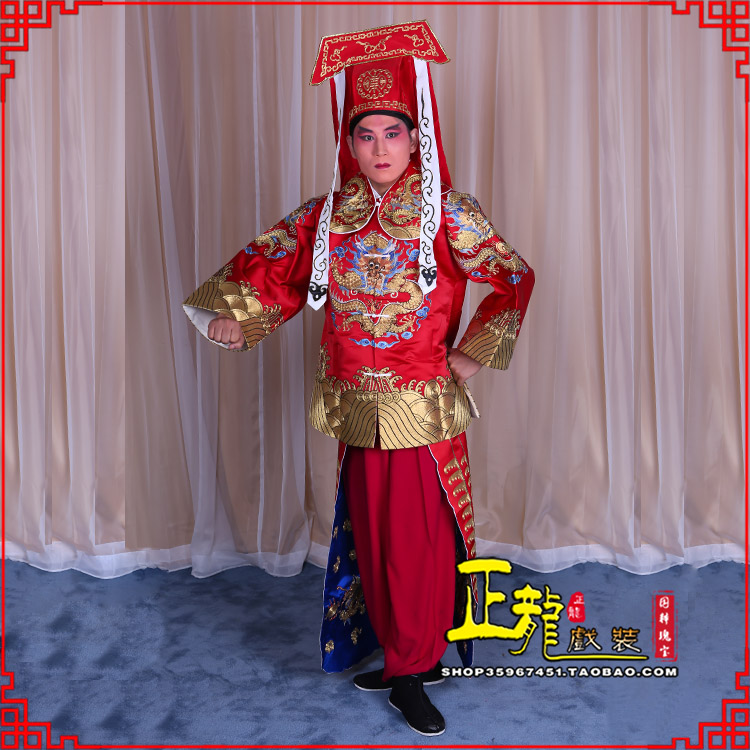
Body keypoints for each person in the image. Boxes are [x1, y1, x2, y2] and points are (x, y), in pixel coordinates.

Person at [183, 21, 534, 737]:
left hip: (421, 409)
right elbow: (278, 273)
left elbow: (513, 277)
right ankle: (407, 654)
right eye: (365, 135)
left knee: (417, 543)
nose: (379, 149)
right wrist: (235, 321)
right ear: (349, 142)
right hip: (354, 407)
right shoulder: (328, 216)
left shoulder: (446, 213)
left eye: (392, 134)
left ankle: (412, 668)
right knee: (372, 540)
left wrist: (472, 354)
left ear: (415, 137)